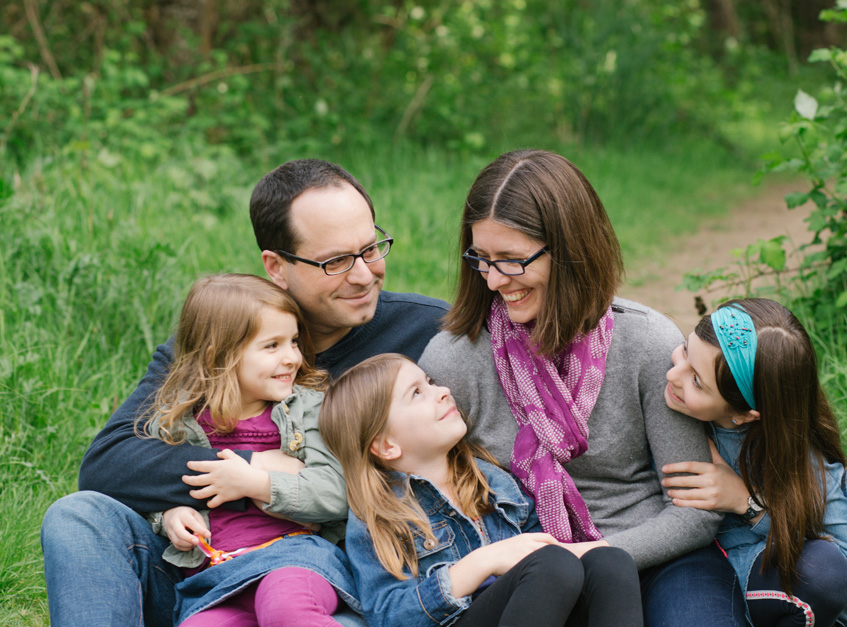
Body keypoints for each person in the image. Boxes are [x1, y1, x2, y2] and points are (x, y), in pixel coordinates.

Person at [41, 159, 448, 626]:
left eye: (371, 249)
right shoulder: (222, 341)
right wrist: (251, 467)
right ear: (276, 266)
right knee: (78, 515)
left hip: (333, 579)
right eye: (335, 261)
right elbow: (110, 463)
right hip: (206, 573)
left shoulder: (428, 335)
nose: (362, 274)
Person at [418, 149, 747, 626]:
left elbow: (692, 512)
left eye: (512, 260)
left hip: (657, 556)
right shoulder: (454, 359)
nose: (492, 281)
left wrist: (595, 556)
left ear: (570, 250)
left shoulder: (647, 342)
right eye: (481, 259)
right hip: (532, 578)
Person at [660, 298, 847, 627]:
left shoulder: (786, 442)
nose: (672, 374)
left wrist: (746, 502)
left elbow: (843, 555)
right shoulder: (668, 404)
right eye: (685, 350)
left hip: (789, 573)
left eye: (697, 381)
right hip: (718, 576)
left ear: (745, 414)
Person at [319, 353, 644, 627]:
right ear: (387, 445)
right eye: (416, 393)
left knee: (610, 562)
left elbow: (543, 555)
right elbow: (388, 615)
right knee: (551, 565)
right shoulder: (378, 515)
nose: (442, 391)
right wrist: (482, 563)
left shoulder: (492, 480)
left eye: (430, 382)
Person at [142, 273, 358, 625]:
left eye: (293, 341)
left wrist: (254, 483)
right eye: (272, 346)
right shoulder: (178, 422)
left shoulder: (309, 409)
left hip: (293, 557)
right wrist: (169, 517)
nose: (292, 357)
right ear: (218, 356)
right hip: (218, 575)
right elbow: (151, 490)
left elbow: (337, 493)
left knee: (285, 608)